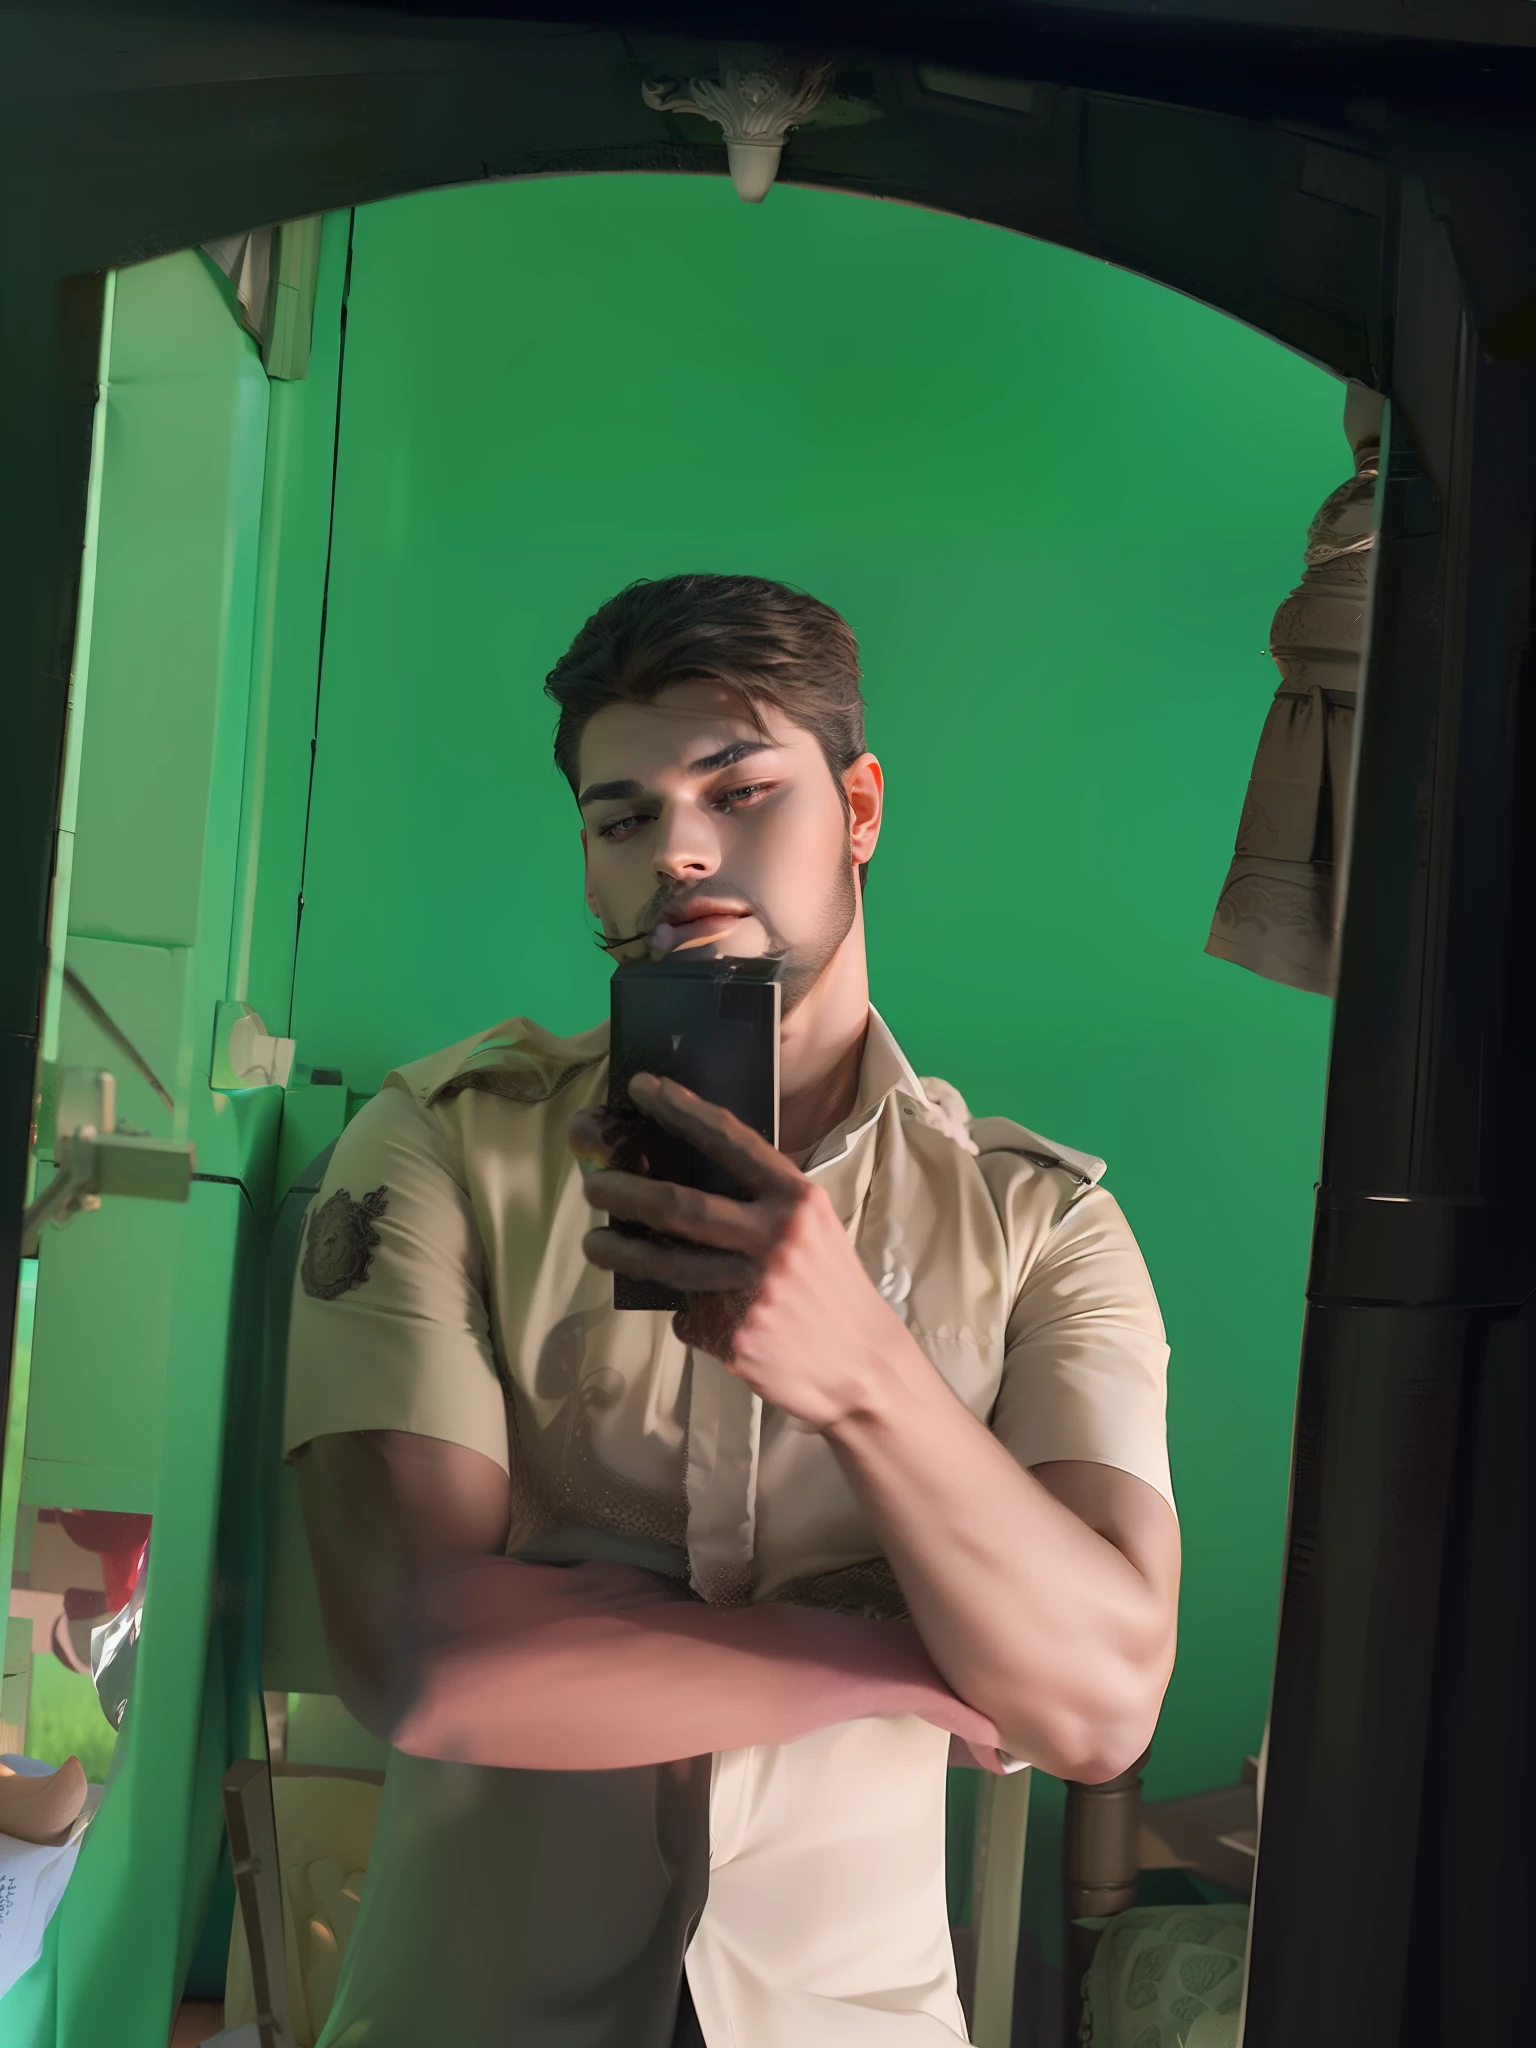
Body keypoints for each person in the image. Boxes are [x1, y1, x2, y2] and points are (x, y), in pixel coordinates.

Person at [285, 573, 1180, 2046]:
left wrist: (867, 1376)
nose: (681, 849)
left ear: (862, 808)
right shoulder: (440, 1143)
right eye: (623, 816)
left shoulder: (1045, 1229)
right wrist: (909, 1658)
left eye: (741, 789)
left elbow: (1094, 1709)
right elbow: (421, 1661)